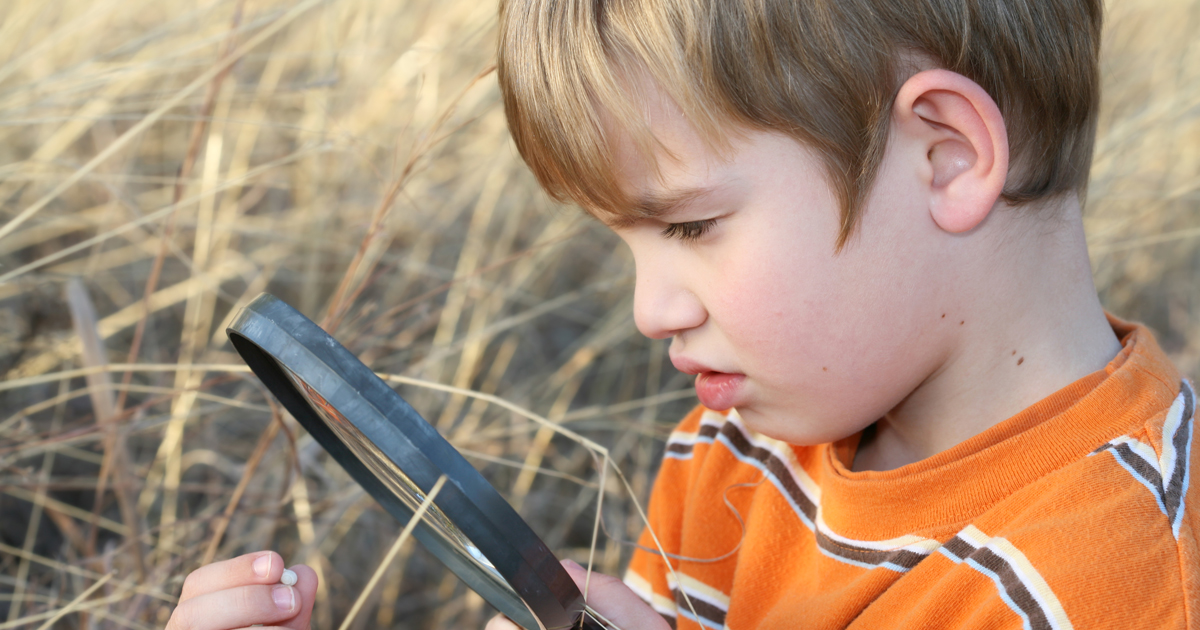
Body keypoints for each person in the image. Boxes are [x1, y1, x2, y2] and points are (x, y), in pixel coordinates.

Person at [167, 0, 1198, 627]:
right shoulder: (740, 445)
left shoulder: (1111, 587)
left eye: (694, 228)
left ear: (948, 155)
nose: (650, 309)